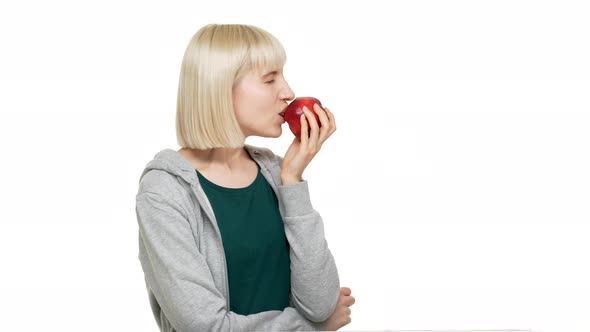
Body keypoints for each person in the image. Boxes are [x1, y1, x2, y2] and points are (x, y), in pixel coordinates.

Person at [135, 23, 355, 331]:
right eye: (270, 79)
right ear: (220, 88)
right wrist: (311, 329)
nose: (288, 93)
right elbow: (205, 327)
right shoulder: (164, 192)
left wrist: (292, 180)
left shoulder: (276, 173)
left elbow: (319, 304)